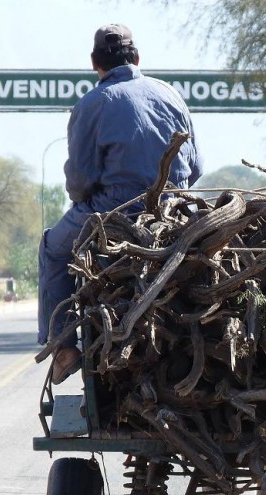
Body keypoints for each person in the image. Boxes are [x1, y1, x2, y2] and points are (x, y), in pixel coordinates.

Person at [38, 22, 203, 383]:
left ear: (95, 64)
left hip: (112, 211)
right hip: (174, 211)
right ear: (138, 58)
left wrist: (93, 199)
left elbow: (80, 181)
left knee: (52, 247)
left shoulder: (92, 104)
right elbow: (197, 167)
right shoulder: (170, 94)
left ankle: (65, 347)